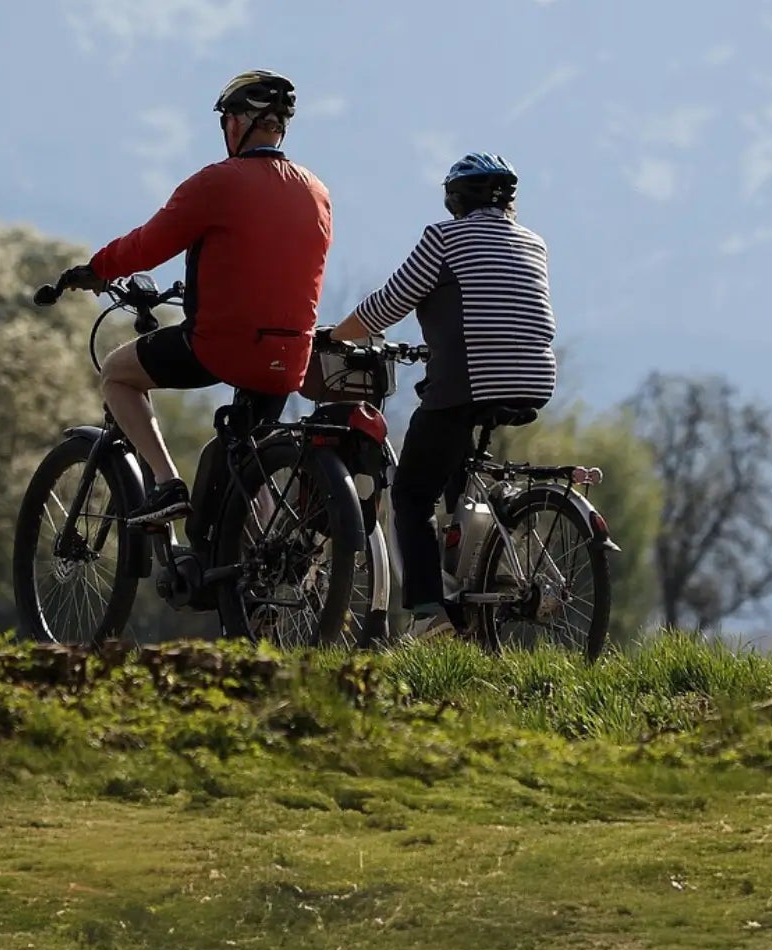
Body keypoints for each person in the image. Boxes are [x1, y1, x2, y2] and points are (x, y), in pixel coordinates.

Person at [56, 71, 332, 526]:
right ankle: (263, 550)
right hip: (290, 356)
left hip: (222, 347)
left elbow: (149, 244)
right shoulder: (317, 191)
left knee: (118, 374)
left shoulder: (217, 182)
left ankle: (167, 484)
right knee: (245, 457)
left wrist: (97, 268)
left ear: (237, 123)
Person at [327, 152, 556, 638]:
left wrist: (334, 336)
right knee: (455, 464)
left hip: (471, 378)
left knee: (412, 494)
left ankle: (430, 611)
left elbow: (389, 303)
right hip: (534, 379)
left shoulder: (444, 238)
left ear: (455, 199)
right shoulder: (534, 242)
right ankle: (483, 563)